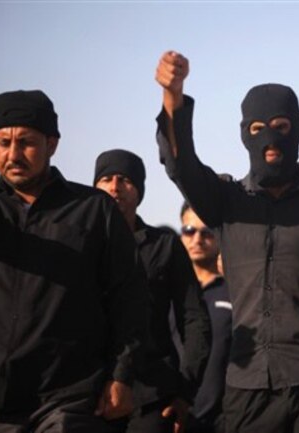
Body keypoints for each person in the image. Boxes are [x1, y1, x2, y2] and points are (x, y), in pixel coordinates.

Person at [154, 51, 299, 433]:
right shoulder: (225, 201)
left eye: (281, 126)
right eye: (258, 128)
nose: (270, 138)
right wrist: (172, 95)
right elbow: (180, 163)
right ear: (244, 133)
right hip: (248, 386)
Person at [0, 90, 147, 432]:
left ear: (52, 144)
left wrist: (122, 376)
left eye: (26, 143)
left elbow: (129, 298)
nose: (13, 155)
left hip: (68, 400)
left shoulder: (93, 209)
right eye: (3, 143)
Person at [93, 149, 212, 433]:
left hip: (153, 396)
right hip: (90, 395)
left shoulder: (165, 247)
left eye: (124, 180)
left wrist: (185, 390)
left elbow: (195, 319)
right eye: (106, 179)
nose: (115, 187)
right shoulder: (80, 245)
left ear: (139, 189)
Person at [178, 202, 232, 433]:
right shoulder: (169, 291)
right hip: (173, 414)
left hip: (224, 419)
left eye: (206, 232)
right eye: (189, 230)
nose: (197, 239)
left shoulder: (237, 292)